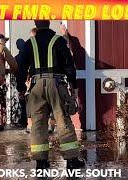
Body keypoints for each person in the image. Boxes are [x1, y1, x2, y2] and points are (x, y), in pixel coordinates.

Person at [17, 20, 85, 169]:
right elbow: (69, 65)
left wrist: (20, 88)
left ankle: (41, 162)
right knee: (62, 120)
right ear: (48, 23)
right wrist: (73, 87)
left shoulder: (30, 43)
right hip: (56, 84)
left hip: (36, 87)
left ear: (36, 24)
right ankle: (72, 160)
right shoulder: (58, 41)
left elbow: (21, 68)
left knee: (38, 124)